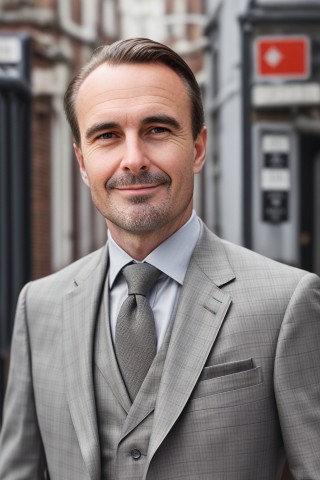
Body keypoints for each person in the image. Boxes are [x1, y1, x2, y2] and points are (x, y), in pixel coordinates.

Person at [0, 37, 319, 480]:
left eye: (157, 130)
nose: (133, 160)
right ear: (81, 160)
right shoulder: (39, 306)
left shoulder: (287, 302)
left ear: (198, 148)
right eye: (107, 135)